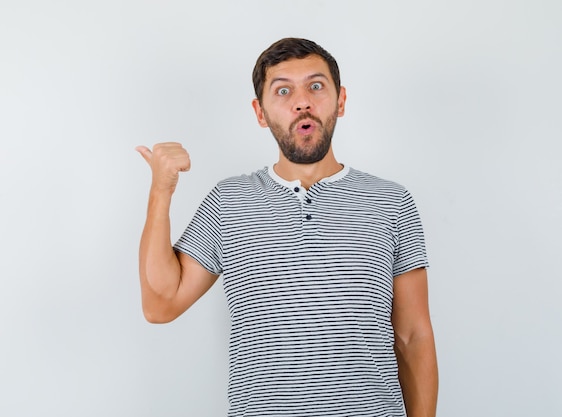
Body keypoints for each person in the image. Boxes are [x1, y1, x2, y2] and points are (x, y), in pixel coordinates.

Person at [136, 38, 438, 417]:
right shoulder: (229, 201)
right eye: (283, 90)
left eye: (316, 86)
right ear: (260, 112)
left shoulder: (391, 202)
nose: (302, 101)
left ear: (340, 101)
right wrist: (161, 191)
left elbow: (413, 336)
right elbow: (160, 304)